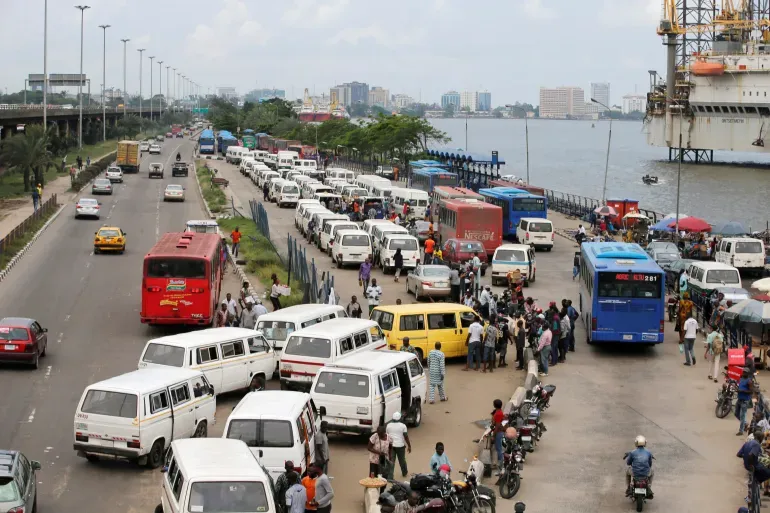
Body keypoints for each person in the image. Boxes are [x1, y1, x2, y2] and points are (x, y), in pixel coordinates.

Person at [387, 412, 411, 478]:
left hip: (391, 445)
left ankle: (390, 476)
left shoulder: (388, 425)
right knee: (402, 460)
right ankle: (404, 472)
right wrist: (409, 446)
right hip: (400, 446)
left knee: (391, 461)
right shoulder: (403, 426)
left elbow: (387, 435)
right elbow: (406, 436)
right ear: (400, 418)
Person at [737, 368, 754, 436]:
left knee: (742, 415)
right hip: (739, 399)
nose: (744, 373)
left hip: (745, 400)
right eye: (743, 372)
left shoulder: (749, 381)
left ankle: (741, 431)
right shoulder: (741, 379)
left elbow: (751, 391)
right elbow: (739, 386)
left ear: (748, 373)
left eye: (745, 372)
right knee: (736, 413)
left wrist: (742, 391)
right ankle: (745, 424)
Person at [491, 399, 506, 470]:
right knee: (498, 448)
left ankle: (501, 464)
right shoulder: (499, 412)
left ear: (495, 405)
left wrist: (493, 436)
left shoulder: (498, 414)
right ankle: (500, 463)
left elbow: (497, 426)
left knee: (499, 449)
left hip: (498, 432)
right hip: (499, 432)